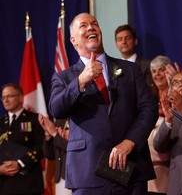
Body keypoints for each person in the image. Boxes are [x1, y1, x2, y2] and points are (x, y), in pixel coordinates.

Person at [49, 13, 158, 195]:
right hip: (87, 172)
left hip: (130, 167)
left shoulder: (130, 70)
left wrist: (129, 142)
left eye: (94, 24)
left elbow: (148, 109)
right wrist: (81, 81)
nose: (91, 27)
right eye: (83, 25)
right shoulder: (64, 77)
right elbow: (57, 109)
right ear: (73, 40)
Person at [0, 83, 45, 195]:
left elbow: (41, 146)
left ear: (20, 97)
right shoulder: (0, 123)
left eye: (9, 96)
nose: (5, 100)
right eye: (3, 97)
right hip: (4, 185)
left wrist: (20, 163)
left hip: (28, 183)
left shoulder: (35, 119)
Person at [147, 55, 172, 195]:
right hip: (148, 168)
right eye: (154, 71)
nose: (157, 75)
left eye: (161, 70)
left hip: (167, 166)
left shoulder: (176, 94)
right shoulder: (149, 95)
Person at [38, 114, 71, 195]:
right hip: (59, 178)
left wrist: (55, 134)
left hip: (73, 178)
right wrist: (48, 134)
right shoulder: (60, 120)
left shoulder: (79, 119)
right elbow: (49, 155)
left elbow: (74, 148)